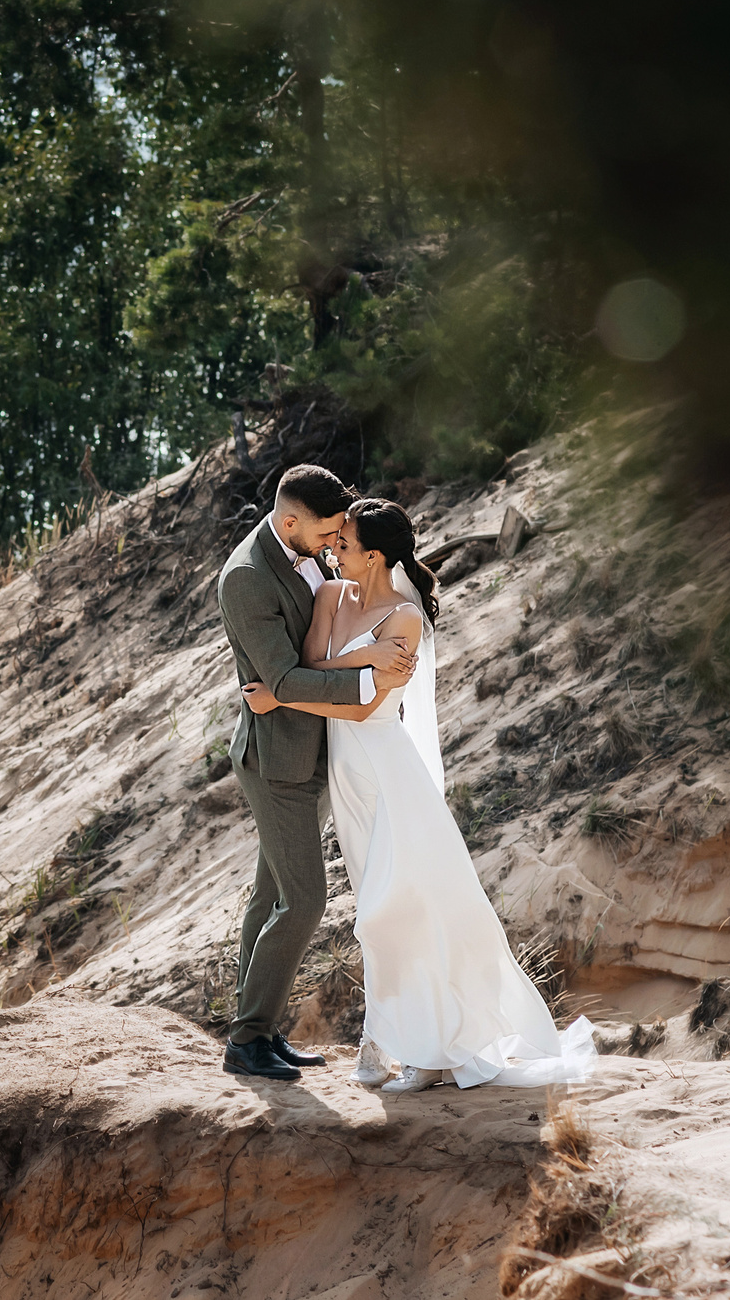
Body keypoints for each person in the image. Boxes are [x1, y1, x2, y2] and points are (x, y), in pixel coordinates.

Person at [243, 497, 595, 1091]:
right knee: (379, 910)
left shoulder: (404, 618)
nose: (334, 550)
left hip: (388, 777)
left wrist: (282, 697)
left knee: (390, 913)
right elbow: (310, 666)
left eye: (346, 545)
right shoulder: (330, 596)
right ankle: (394, 1047)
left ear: (375, 556)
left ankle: (420, 1053)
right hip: (348, 782)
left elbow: (361, 701)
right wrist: (358, 659)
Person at [213, 465, 415, 1081]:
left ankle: (260, 1032)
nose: (335, 545)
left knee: (271, 897)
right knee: (304, 901)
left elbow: (316, 645)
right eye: (328, 534)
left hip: (315, 751)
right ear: (292, 520)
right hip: (277, 762)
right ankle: (247, 1042)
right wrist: (369, 676)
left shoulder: (305, 551)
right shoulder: (248, 579)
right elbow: (281, 682)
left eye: (340, 536)